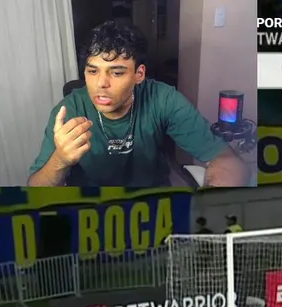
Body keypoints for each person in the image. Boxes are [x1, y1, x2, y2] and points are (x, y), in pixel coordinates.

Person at [28, 20, 248, 188]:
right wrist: (60, 159)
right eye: (92, 71)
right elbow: (35, 188)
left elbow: (227, 160)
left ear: (139, 74)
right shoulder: (68, 111)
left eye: (116, 72)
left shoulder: (163, 99)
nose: (101, 83)